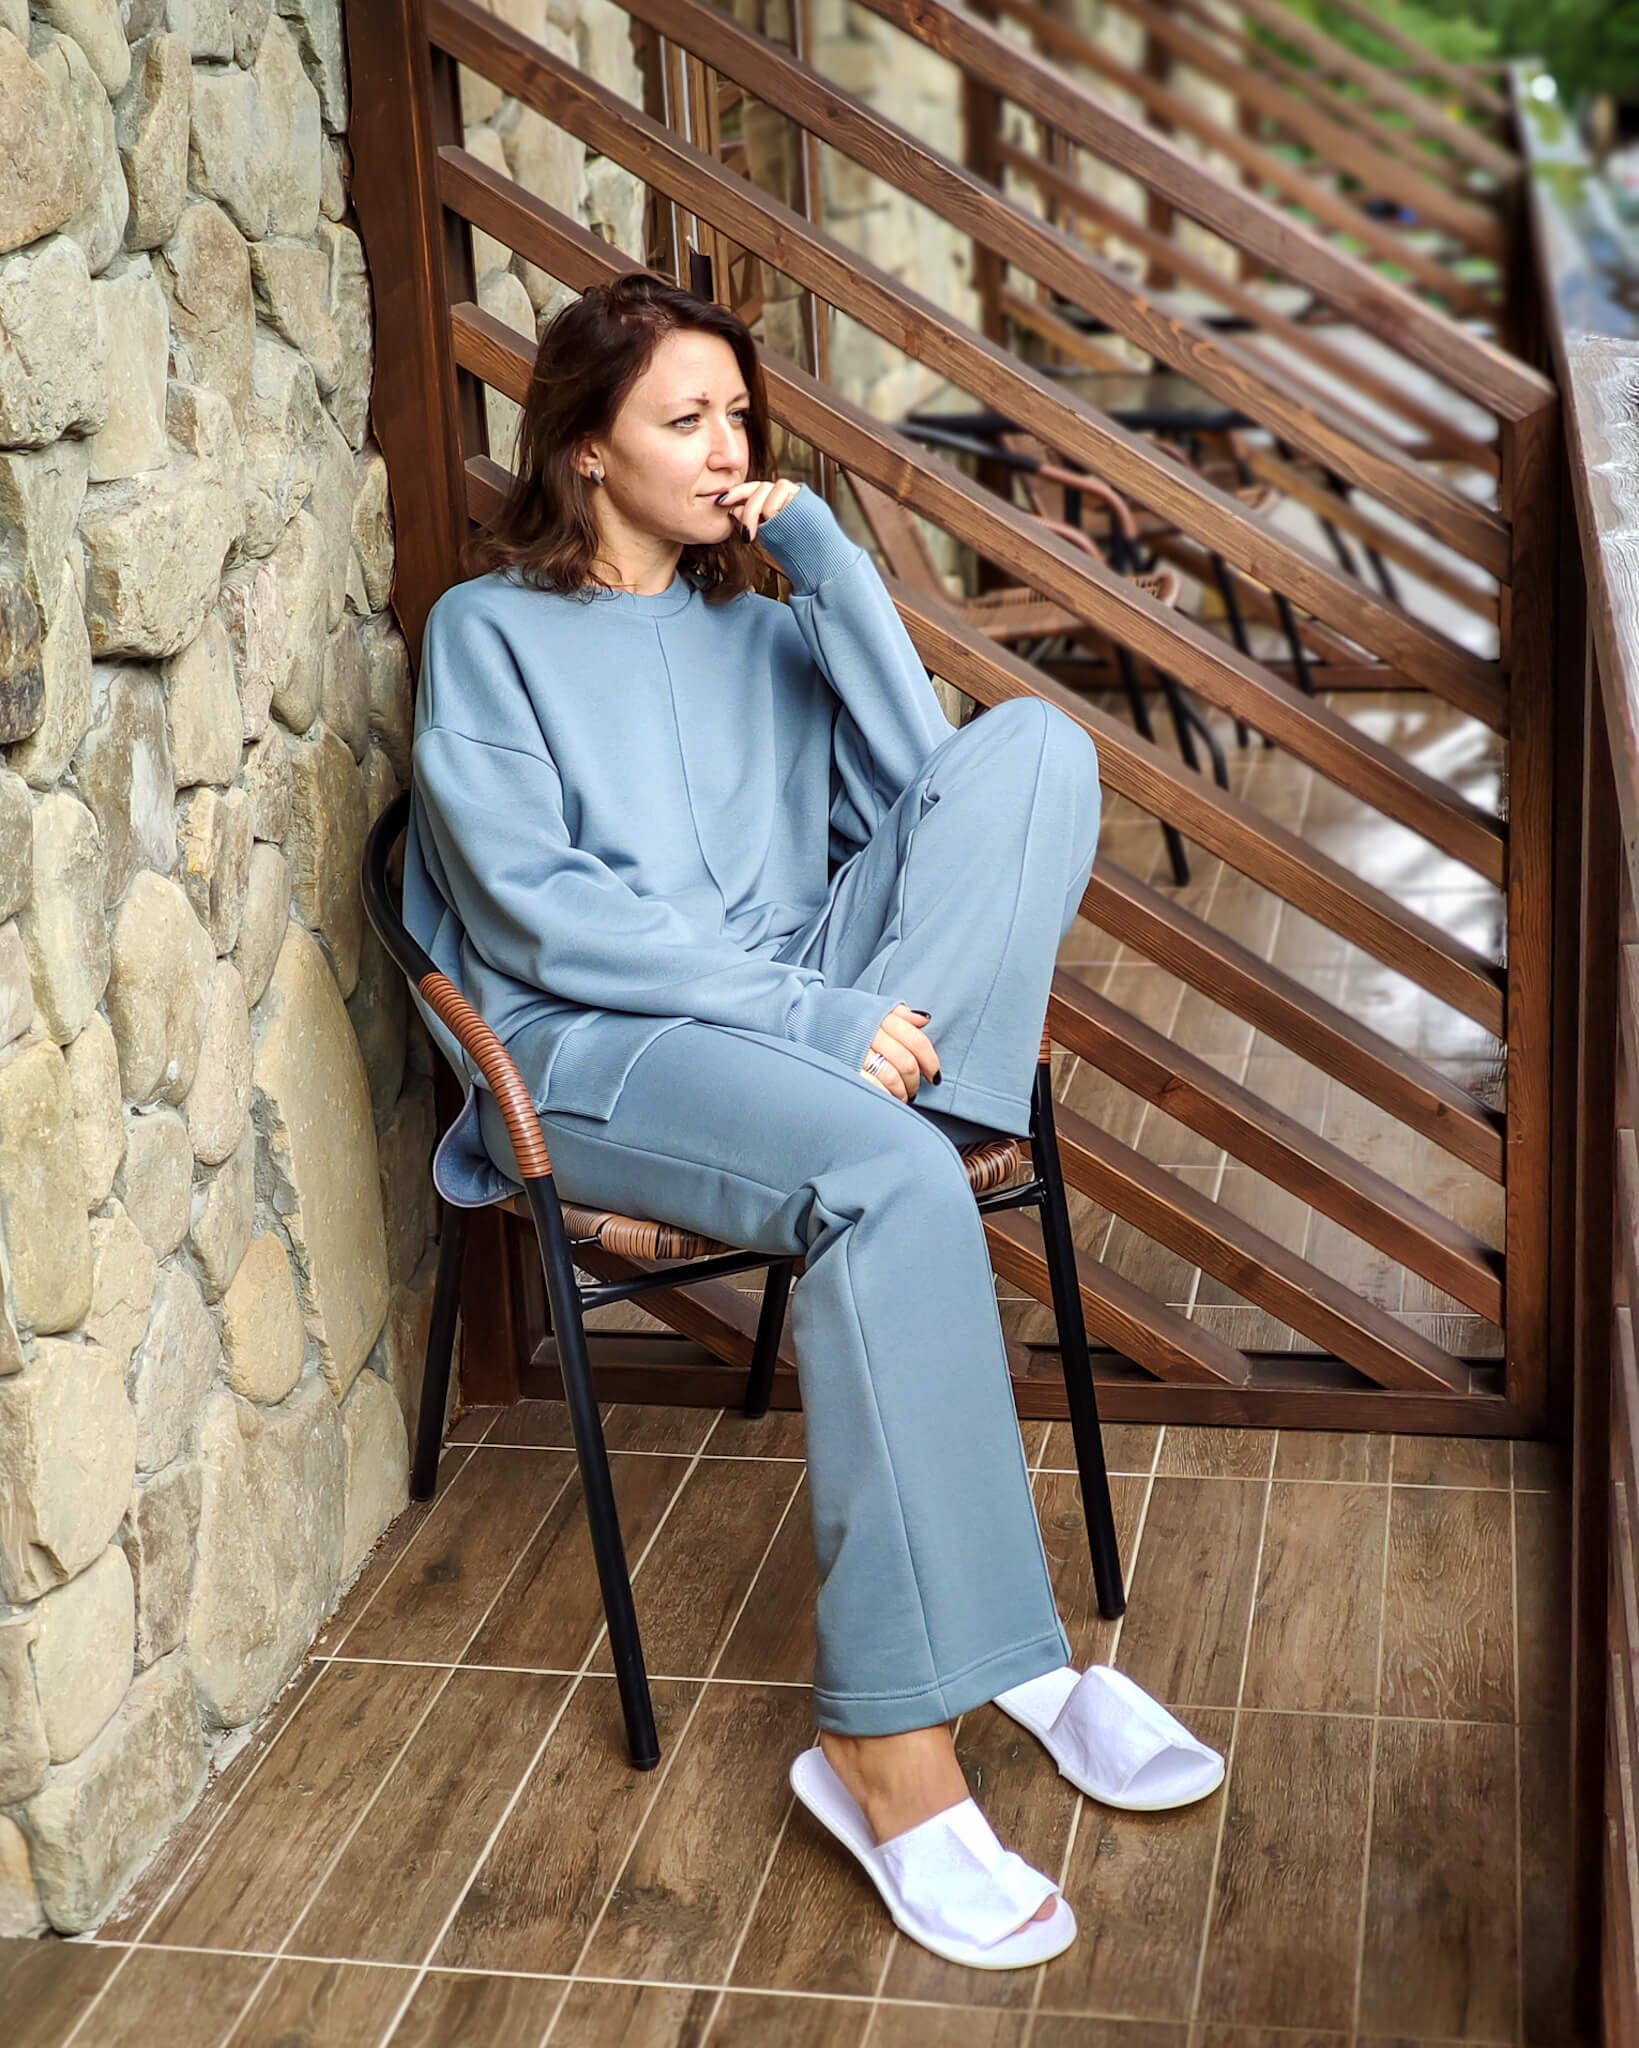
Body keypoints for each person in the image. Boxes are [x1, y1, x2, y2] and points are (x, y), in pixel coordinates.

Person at [401, 273, 1220, 1971]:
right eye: (683, 420)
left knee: (1036, 752)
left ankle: (916, 1138)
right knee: (896, 1181)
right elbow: (539, 914)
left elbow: (938, 802)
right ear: (584, 450)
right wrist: (811, 1022)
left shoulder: (771, 626)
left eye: (739, 419)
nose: (726, 450)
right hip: (600, 1044)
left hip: (809, 1011)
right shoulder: (489, 633)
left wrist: (833, 575)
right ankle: (897, 1744)